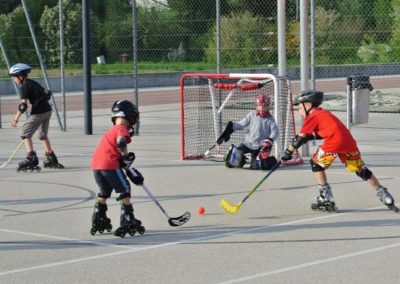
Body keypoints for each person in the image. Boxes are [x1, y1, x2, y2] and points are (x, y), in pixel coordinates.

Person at [281, 90, 398, 213]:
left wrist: (288, 152)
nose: (299, 111)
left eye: (299, 108)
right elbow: (323, 132)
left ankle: (325, 197)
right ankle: (384, 195)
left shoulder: (312, 116)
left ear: (308, 106)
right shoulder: (324, 113)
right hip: (348, 142)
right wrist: (310, 137)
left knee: (316, 164)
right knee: (361, 170)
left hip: (334, 142)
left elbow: (300, 138)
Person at [90, 100, 145, 238]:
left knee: (105, 191)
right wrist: (125, 156)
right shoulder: (121, 129)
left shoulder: (111, 131)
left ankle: (98, 216)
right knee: (125, 188)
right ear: (129, 116)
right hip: (109, 166)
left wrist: (122, 160)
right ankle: (127, 218)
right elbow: (121, 142)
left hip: (96, 166)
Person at [9, 63, 63, 172]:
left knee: (24, 132)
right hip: (47, 110)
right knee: (42, 135)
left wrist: (15, 119)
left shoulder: (25, 86)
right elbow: (47, 93)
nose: (14, 80)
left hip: (39, 112)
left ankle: (31, 157)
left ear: (20, 76)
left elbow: (23, 105)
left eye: (14, 77)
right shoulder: (33, 83)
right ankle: (51, 157)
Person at [222, 94, 279, 170]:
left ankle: (260, 161)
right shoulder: (251, 114)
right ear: (256, 106)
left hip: (260, 147)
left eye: (264, 105)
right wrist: (231, 128)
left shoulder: (270, 119)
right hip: (247, 143)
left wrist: (269, 140)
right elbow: (242, 124)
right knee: (231, 161)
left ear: (268, 106)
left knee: (255, 166)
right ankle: (241, 160)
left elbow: (275, 132)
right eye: (259, 105)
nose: (262, 107)